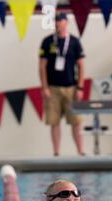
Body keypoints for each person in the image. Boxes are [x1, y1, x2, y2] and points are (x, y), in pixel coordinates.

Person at [39, 12, 85, 156]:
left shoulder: (74, 42)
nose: (57, 23)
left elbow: (81, 65)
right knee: (54, 121)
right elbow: (42, 66)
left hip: (71, 87)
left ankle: (80, 151)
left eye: (60, 21)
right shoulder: (47, 42)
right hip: (53, 88)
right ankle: (56, 153)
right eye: (56, 21)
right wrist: (44, 87)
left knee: (76, 121)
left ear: (66, 22)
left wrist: (80, 86)